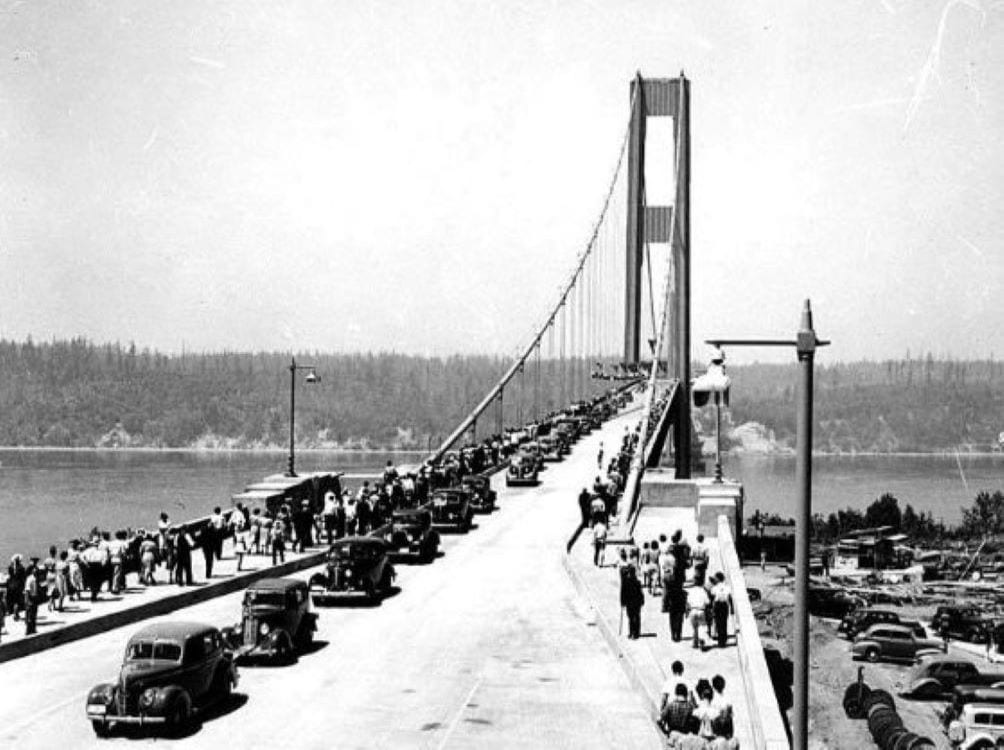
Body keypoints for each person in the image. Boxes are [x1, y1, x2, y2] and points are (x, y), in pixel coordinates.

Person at [620, 565, 644, 639]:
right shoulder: (637, 582)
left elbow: (623, 593)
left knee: (630, 617)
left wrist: (622, 602)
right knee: (636, 617)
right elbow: (640, 593)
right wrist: (642, 601)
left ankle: (631, 632)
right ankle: (636, 632)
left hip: (629, 603)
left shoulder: (625, 582)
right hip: (637, 602)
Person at [712, 573, 734, 648]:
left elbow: (713, 598)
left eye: (715, 578)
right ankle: (723, 640)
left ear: (718, 579)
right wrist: (732, 609)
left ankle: (720, 641)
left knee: (718, 623)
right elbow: (730, 598)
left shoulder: (715, 587)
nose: (714, 579)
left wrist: (712, 609)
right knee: (724, 623)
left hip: (718, 605)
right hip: (725, 606)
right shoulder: (727, 587)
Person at [687, 582, 710, 649]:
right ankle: (702, 642)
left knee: (694, 628)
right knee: (702, 627)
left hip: (693, 610)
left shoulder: (691, 591)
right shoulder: (703, 591)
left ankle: (694, 643)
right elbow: (707, 601)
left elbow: (688, 601)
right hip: (701, 611)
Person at [23, 561, 39, 636]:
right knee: (30, 615)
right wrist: (27, 600)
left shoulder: (35, 579)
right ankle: (28, 630)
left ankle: (33, 629)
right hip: (31, 598)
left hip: (35, 597)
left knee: (34, 614)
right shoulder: (30, 579)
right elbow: (27, 590)